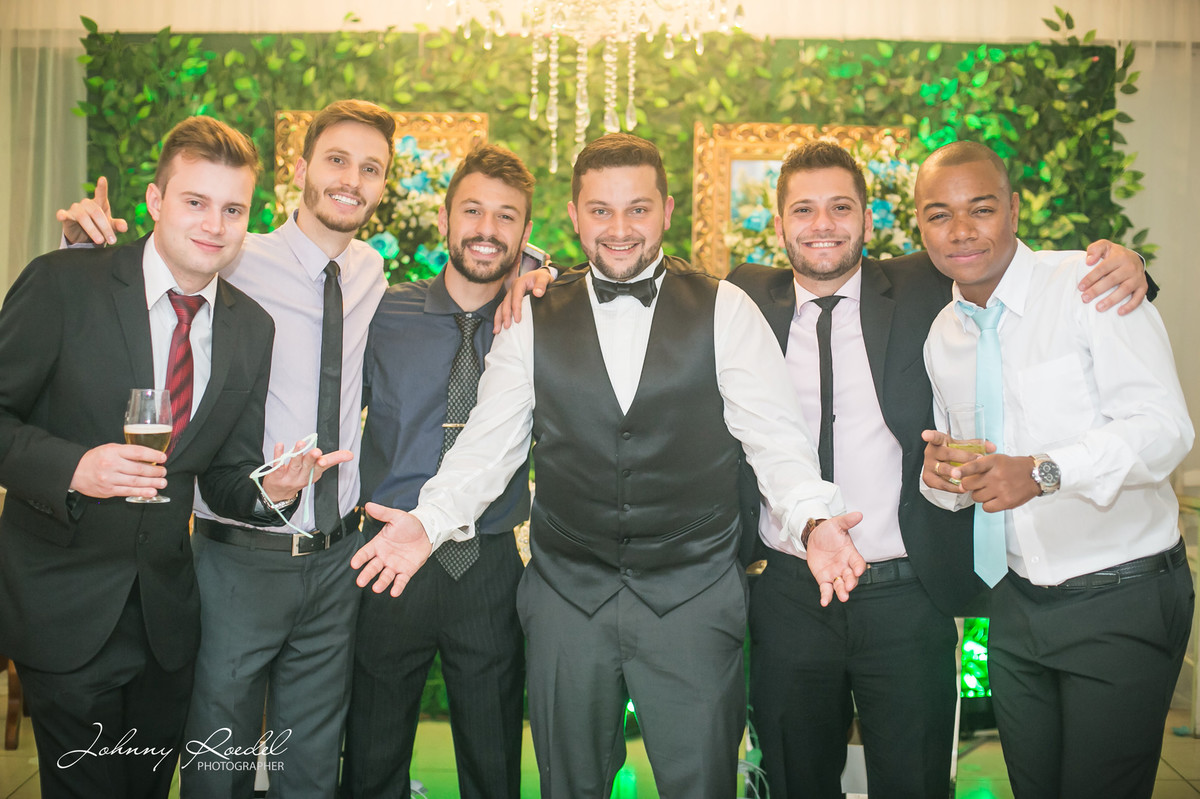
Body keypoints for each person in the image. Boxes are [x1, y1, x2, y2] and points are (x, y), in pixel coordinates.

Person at [350, 132, 867, 798]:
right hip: (568, 599)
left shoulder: (726, 309)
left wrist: (814, 520)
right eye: (601, 210)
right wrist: (428, 522)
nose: (619, 229)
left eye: (637, 209)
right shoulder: (532, 315)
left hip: (692, 596)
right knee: (569, 784)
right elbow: (487, 445)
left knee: (702, 784)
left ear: (667, 210)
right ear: (574, 215)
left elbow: (775, 440)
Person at [725, 140, 1150, 799]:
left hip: (905, 594)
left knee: (918, 781)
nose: (822, 224)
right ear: (778, 224)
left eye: (841, 207)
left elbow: (1017, 263)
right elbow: (640, 275)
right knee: (791, 780)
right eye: (803, 210)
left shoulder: (926, 283)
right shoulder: (742, 298)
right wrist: (551, 276)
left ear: (868, 219)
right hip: (788, 593)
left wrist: (1130, 266)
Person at [57, 99, 393, 797]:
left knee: (311, 769)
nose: (351, 179)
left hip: (337, 559)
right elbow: (138, 287)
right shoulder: (232, 255)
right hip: (238, 557)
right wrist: (84, 249)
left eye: (371, 168)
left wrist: (529, 276)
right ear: (300, 168)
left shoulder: (372, 272)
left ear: (383, 185)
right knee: (219, 764)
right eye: (336, 159)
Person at [0, 116, 337, 799]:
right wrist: (73, 468)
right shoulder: (64, 283)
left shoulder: (251, 327)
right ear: (156, 201)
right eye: (195, 201)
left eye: (233, 209)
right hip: (65, 608)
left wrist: (272, 489)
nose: (214, 224)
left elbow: (223, 474)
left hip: (166, 625)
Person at [919, 141, 1193, 799]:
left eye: (981, 208)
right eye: (939, 214)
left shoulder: (1090, 284)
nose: (961, 230)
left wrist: (1044, 470)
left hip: (1120, 594)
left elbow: (1165, 429)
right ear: (920, 227)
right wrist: (944, 481)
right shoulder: (942, 335)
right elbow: (973, 470)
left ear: (1014, 210)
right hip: (1015, 604)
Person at [340, 145, 535, 798]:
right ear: (447, 219)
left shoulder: (538, 320)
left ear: (525, 234)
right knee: (371, 757)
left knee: (493, 761)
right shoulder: (383, 312)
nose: (487, 229)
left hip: (488, 562)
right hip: (386, 556)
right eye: (472, 210)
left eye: (506, 216)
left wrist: (540, 277)